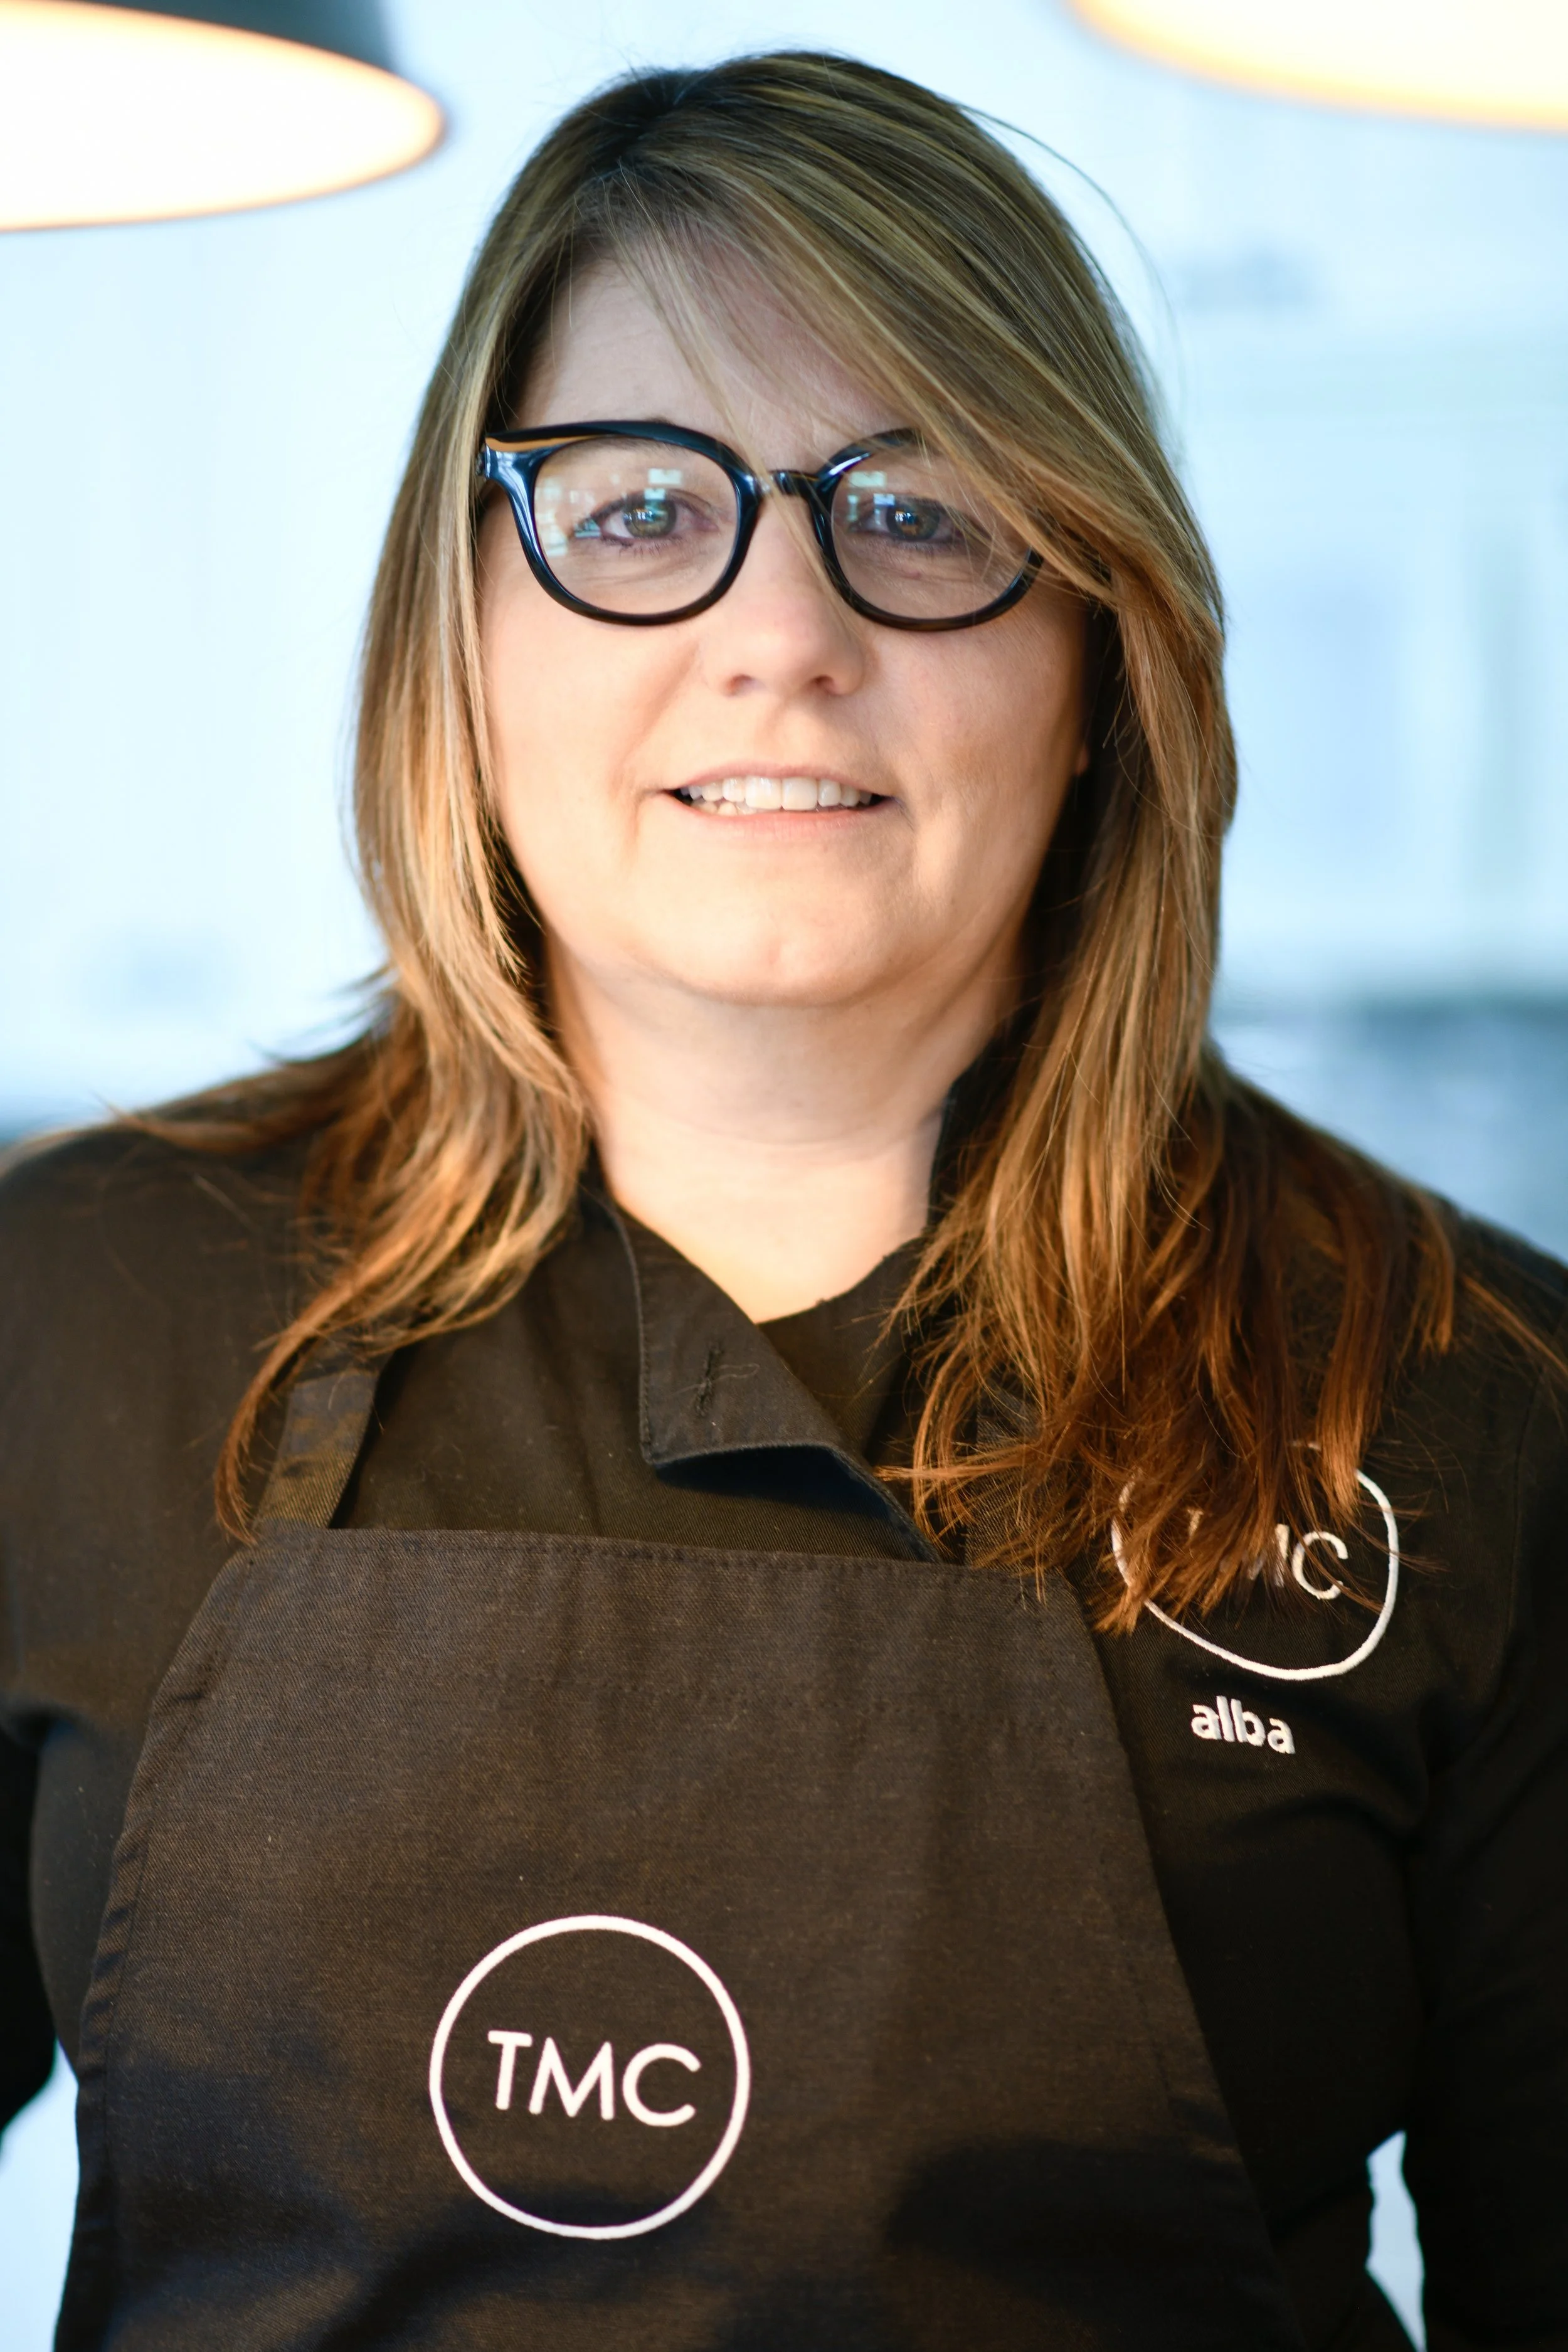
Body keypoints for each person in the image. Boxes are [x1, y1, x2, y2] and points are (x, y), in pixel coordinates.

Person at [1, 50, 1564, 2352]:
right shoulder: (66, 1315)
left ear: (1098, 662)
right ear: (463, 625)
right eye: (637, 509)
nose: (781, 632)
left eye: (919, 514)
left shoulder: (1463, 1396)